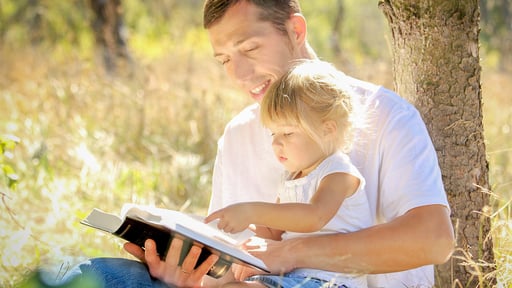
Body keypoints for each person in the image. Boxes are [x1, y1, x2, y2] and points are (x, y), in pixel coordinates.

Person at [62, 1, 455, 287]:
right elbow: (232, 267)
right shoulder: (238, 134)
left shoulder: (384, 115)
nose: (240, 74)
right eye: (225, 60)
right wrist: (186, 276)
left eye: (249, 49)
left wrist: (289, 254)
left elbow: (433, 241)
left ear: (295, 31)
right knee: (89, 275)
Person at [204, 59, 372, 288]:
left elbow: (314, 217)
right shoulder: (292, 177)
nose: (277, 143)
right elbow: (273, 232)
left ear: (327, 129)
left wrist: (252, 211)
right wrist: (236, 234)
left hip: (331, 281)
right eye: (273, 134)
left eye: (288, 133)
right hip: (290, 277)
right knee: (216, 277)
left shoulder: (338, 173)